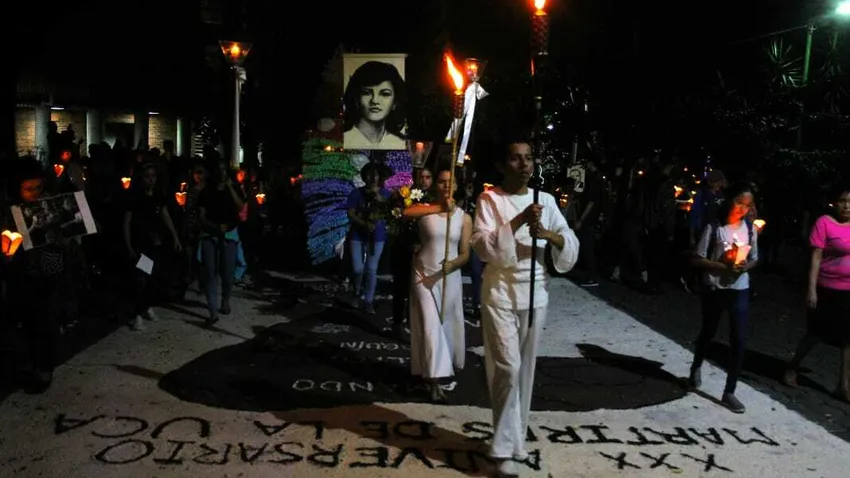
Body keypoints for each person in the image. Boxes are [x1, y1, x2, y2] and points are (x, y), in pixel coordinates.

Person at [471, 141, 579, 476]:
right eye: (516, 158)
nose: (524, 164)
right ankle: (502, 448)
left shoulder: (545, 200)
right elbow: (483, 247)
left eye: (529, 158)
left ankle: (514, 440)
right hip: (500, 293)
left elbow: (567, 239)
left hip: (535, 293)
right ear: (502, 165)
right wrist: (519, 220)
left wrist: (548, 234)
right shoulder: (489, 200)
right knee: (508, 367)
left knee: (525, 371)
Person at [402, 164, 472, 402]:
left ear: (457, 185)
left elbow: (465, 253)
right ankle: (435, 381)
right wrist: (441, 208)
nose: (446, 185)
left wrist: (453, 264)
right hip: (422, 274)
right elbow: (406, 212)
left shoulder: (464, 217)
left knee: (444, 324)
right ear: (435, 185)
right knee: (430, 324)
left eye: (450, 182)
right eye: (441, 181)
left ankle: (433, 367)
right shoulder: (425, 209)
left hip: (448, 275)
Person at [687, 182, 759, 414]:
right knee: (708, 331)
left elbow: (755, 257)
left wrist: (745, 266)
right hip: (715, 288)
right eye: (739, 202)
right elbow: (697, 258)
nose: (743, 209)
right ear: (730, 201)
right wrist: (721, 266)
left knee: (739, 339)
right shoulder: (715, 227)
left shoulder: (749, 229)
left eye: (748, 205)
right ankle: (696, 366)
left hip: (739, 288)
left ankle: (730, 391)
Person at [783, 184, 850, 403]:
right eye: (843, 201)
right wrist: (811, 289)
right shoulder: (825, 223)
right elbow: (816, 257)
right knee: (816, 332)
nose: (846, 206)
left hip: (848, 291)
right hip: (827, 288)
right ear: (835, 203)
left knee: (848, 338)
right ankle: (792, 367)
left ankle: (844, 386)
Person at [123, 162, 182, 331]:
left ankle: (146, 306)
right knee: (142, 277)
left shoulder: (158, 194)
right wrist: (128, 245)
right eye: (147, 176)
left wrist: (175, 237)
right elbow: (127, 222)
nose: (151, 179)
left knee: (152, 276)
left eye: (153, 176)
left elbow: (165, 214)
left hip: (154, 242)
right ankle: (137, 314)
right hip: (140, 243)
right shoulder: (135, 196)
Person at [197, 158, 245, 324]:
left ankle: (225, 300)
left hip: (229, 235)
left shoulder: (233, 188)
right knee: (210, 273)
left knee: (227, 273)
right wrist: (215, 227)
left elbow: (240, 207)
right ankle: (212, 310)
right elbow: (201, 216)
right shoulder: (206, 191)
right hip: (210, 235)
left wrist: (231, 187)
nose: (222, 173)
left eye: (224, 169)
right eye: (219, 169)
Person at [346, 162, 392, 314]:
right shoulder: (356, 193)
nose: (372, 178)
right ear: (364, 176)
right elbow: (351, 213)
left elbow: (390, 211)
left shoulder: (385, 194)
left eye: (375, 175)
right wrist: (364, 223)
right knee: (358, 269)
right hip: (357, 235)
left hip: (377, 237)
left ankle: (369, 301)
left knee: (372, 269)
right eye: (369, 175)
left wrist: (378, 198)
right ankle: (356, 292)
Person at [390, 167, 433, 333]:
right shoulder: (405, 196)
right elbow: (397, 218)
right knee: (401, 287)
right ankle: (397, 322)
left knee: (419, 288)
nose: (424, 181)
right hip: (404, 246)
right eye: (421, 177)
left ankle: (414, 322)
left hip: (426, 248)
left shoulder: (434, 199)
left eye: (428, 177)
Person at [343, 61, 407, 150]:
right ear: (356, 99)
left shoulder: (399, 142)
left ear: (395, 102)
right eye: (367, 93)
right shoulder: (344, 139)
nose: (374, 101)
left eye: (385, 94)